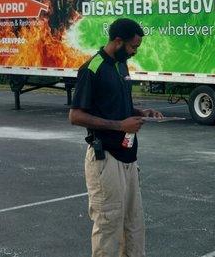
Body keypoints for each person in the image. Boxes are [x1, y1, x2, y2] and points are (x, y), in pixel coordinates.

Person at [69, 18, 163, 257]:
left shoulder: (121, 66)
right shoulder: (93, 68)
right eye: (133, 47)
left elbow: (119, 106)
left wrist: (142, 113)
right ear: (118, 41)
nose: (134, 52)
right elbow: (76, 115)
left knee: (134, 224)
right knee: (108, 226)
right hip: (106, 158)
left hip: (128, 157)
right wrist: (120, 125)